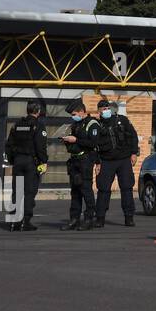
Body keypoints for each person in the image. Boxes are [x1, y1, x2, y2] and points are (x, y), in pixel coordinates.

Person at [93, 99, 139, 228]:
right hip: (106, 161)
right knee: (103, 189)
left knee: (127, 188)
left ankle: (129, 217)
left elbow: (133, 136)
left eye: (107, 108)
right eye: (103, 109)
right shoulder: (97, 124)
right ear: (99, 111)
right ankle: (100, 218)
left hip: (124, 159)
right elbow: (94, 146)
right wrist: (98, 163)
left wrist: (134, 153)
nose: (106, 110)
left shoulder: (122, 120)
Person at [5, 101, 49, 231]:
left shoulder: (17, 125)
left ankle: (14, 222)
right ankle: (26, 221)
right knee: (29, 192)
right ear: (38, 111)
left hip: (18, 161)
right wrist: (44, 161)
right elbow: (40, 147)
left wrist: (13, 160)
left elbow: (9, 145)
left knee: (17, 191)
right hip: (31, 162)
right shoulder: (39, 126)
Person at [61, 98, 100, 231]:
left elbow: (93, 143)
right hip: (75, 161)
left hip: (86, 161)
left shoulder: (92, 124)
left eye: (74, 114)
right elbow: (75, 144)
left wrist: (76, 139)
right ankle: (74, 219)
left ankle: (89, 219)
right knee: (75, 191)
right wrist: (67, 140)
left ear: (82, 112)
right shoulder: (75, 125)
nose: (73, 117)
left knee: (86, 190)